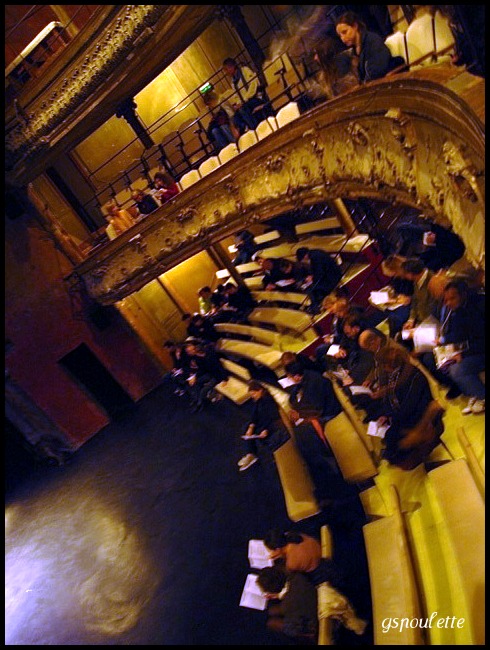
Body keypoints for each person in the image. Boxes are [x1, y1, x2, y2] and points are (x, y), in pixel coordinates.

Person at [262, 530, 367, 637]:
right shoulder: (298, 536)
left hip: (322, 578)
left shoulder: (292, 564)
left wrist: (281, 556)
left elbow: (296, 572)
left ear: (277, 549)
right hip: (327, 564)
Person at [370, 344, 445, 469]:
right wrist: (386, 414)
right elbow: (392, 400)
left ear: (389, 364)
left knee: (398, 444)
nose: (382, 369)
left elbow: (409, 408)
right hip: (405, 416)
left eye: (383, 365)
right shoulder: (395, 375)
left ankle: (420, 463)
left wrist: (392, 416)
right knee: (389, 437)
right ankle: (406, 459)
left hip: (421, 416)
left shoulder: (414, 376)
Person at [431, 280, 485, 414]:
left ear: (463, 295)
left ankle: (482, 397)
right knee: (442, 361)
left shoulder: (478, 307)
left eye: (452, 298)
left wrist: (463, 354)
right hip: (474, 347)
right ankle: (476, 395)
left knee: (457, 370)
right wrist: (444, 341)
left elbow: (482, 340)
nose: (448, 303)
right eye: (446, 299)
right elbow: (460, 333)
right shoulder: (459, 309)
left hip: (481, 349)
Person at [256, 565, 318, 644]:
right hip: (314, 597)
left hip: (317, 622)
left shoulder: (288, 608)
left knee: (273, 623)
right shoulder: (297, 576)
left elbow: (294, 630)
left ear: (270, 595)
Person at [284, 361, 341, 447]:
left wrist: (299, 414)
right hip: (318, 409)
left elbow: (316, 409)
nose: (289, 379)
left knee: (303, 431)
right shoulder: (305, 378)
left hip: (329, 411)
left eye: (289, 377)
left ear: (296, 377)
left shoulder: (314, 382)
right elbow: (296, 396)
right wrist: (295, 409)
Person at [335, 11, 403, 83]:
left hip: (388, 82)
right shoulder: (354, 52)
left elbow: (378, 70)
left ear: (355, 26)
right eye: (340, 36)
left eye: (345, 32)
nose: (343, 38)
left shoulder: (372, 40)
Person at [237, 381, 290, 472]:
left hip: (271, 424)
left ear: (260, 390)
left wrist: (266, 429)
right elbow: (255, 414)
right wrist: (251, 426)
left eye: (254, 393)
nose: (253, 396)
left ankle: (254, 454)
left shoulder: (268, 401)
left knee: (257, 432)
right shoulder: (259, 400)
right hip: (262, 421)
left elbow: (272, 417)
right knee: (246, 428)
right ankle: (251, 454)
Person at [184, 340, 228, 412]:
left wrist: (225, 379)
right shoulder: (197, 358)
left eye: (190, 351)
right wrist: (195, 377)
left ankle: (200, 404)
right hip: (210, 374)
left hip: (217, 375)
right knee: (196, 383)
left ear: (195, 349)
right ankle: (197, 400)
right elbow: (202, 370)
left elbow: (219, 366)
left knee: (204, 390)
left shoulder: (210, 354)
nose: (189, 353)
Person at [296, 247, 343, 313]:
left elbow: (320, 273)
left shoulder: (315, 257)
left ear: (305, 256)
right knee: (310, 287)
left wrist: (312, 278)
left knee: (311, 289)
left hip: (332, 276)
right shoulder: (314, 254)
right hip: (327, 275)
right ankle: (317, 305)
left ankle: (316, 308)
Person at [222, 57, 263, 133]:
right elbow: (237, 96)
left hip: (255, 97)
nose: (226, 72)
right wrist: (238, 104)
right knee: (235, 118)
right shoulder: (233, 82)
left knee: (243, 109)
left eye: (226, 69)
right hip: (245, 102)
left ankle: (255, 129)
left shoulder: (245, 71)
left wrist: (244, 100)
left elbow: (253, 85)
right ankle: (247, 131)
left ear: (232, 67)